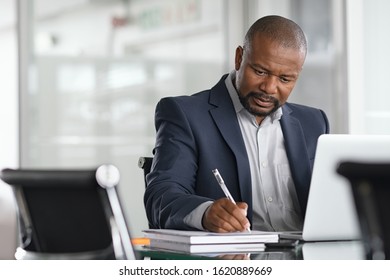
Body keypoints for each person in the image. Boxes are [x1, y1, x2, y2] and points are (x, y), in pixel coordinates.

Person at [144, 15, 329, 233]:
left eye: (285, 79)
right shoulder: (186, 114)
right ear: (239, 58)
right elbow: (162, 195)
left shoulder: (314, 122)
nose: (269, 88)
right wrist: (205, 213)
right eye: (260, 71)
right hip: (234, 259)